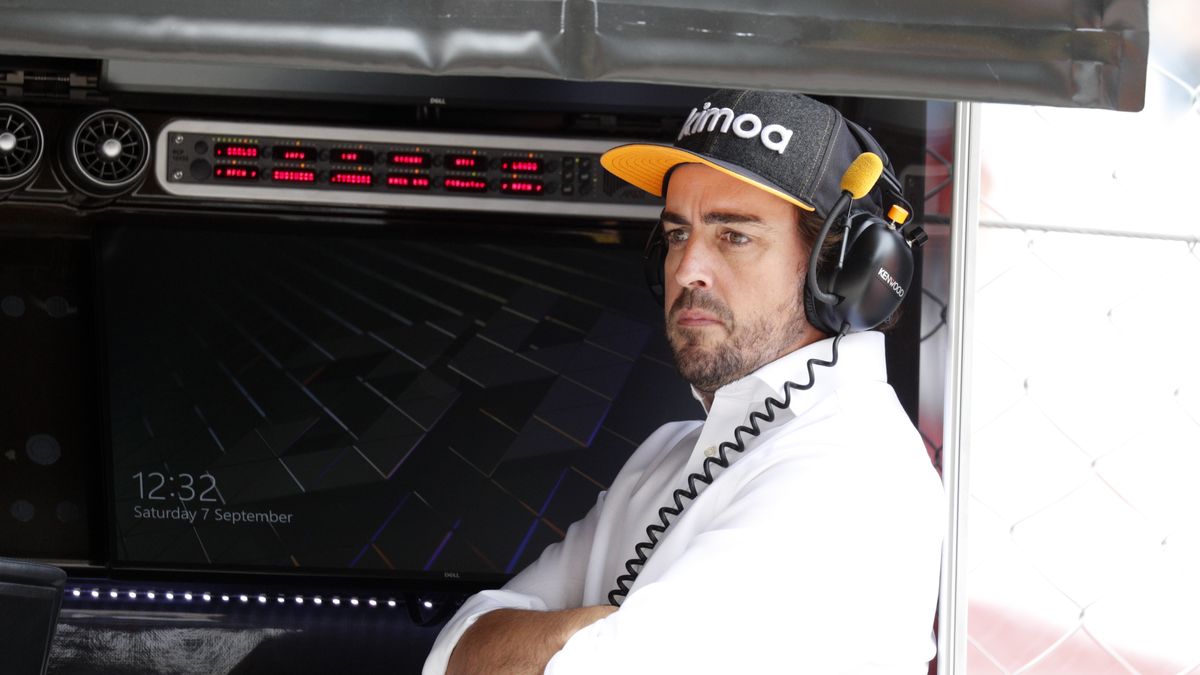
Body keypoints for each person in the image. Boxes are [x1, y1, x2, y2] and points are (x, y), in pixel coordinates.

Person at [422, 89, 944, 675]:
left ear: (842, 271)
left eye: (734, 235)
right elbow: (456, 650)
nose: (687, 268)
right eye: (676, 234)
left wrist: (567, 636)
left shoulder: (852, 469)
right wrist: (589, 636)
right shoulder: (667, 453)